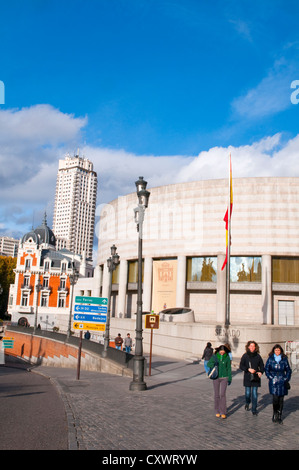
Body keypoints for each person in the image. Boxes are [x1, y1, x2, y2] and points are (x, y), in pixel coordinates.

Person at [265, 344, 292, 424]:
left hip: (282, 380)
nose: (277, 352)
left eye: (278, 350)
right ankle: (274, 413)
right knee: (275, 399)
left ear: (281, 351)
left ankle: (279, 415)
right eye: (276, 350)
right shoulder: (270, 359)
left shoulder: (284, 359)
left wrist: (286, 378)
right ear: (273, 351)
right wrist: (270, 377)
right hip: (273, 381)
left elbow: (288, 370)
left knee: (281, 400)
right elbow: (266, 369)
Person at [239, 340, 264, 415]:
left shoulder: (258, 356)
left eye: (253, 346)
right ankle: (247, 402)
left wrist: (260, 372)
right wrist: (248, 369)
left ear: (256, 347)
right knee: (247, 393)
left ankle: (254, 409)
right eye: (251, 346)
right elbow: (241, 365)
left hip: (255, 377)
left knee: (254, 393)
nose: (252, 347)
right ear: (248, 347)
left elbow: (262, 366)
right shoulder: (245, 355)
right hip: (247, 376)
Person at [207, 345, 232, 419]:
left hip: (224, 377)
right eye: (221, 351)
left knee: (223, 394)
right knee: (217, 394)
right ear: (218, 351)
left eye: (223, 351)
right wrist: (214, 364)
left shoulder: (227, 357)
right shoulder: (215, 357)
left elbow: (229, 369)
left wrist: (229, 378)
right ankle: (217, 410)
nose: (222, 352)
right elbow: (208, 364)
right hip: (216, 377)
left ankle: (223, 412)